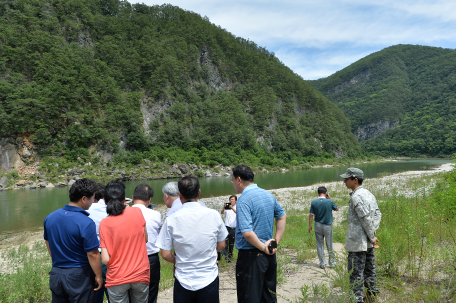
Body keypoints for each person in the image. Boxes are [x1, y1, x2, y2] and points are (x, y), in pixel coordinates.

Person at [156, 176, 227, 303]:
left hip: (183, 278)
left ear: (179, 195)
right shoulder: (214, 215)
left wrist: (179, 260)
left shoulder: (172, 219)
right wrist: (208, 251)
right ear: (199, 193)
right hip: (208, 276)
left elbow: (165, 254)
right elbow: (222, 244)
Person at [231, 164, 287, 303]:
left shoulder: (244, 199)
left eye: (232, 180)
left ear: (239, 180)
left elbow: (247, 233)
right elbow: (282, 216)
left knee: (249, 297)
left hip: (251, 257)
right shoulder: (267, 195)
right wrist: (274, 243)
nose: (232, 184)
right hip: (269, 256)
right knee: (268, 297)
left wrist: (263, 247)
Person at [43, 178, 103, 302]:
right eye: (92, 198)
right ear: (84, 199)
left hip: (56, 274)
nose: (93, 201)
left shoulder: (50, 217)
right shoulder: (86, 222)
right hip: (79, 277)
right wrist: (98, 275)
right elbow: (92, 254)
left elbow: (48, 242)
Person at [99, 181, 150, 303]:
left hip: (117, 277)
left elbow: (105, 259)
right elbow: (146, 239)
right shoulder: (137, 212)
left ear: (105, 202)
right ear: (124, 200)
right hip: (140, 273)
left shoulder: (104, 223)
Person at [340, 168, 381, 303]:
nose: (344, 181)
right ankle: (372, 296)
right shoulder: (369, 194)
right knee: (370, 270)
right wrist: (372, 234)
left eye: (347, 179)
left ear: (355, 180)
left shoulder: (356, 197)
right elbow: (377, 215)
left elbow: (364, 218)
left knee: (355, 274)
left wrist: (371, 236)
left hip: (358, 242)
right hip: (367, 242)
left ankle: (357, 299)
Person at [132, 183, 162, 303]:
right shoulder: (156, 215)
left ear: (133, 197)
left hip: (129, 259)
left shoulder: (123, 213)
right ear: (149, 199)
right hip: (151, 259)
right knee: (151, 292)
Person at [87, 183, 111, 303]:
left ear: (94, 197)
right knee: (113, 292)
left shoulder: (87, 210)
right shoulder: (111, 208)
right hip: (109, 255)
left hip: (93, 255)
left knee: (96, 291)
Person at [308, 186, 339, 269]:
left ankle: (323, 263)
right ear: (326, 193)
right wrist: (330, 199)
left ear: (318, 193)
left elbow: (311, 215)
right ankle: (332, 263)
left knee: (320, 245)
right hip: (327, 225)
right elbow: (337, 209)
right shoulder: (329, 201)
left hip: (318, 225)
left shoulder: (314, 202)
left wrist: (310, 225)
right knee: (329, 244)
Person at [220, 195, 237, 262]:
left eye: (232, 199)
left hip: (234, 228)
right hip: (227, 227)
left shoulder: (237, 207)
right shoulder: (227, 207)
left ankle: (230, 256)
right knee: (225, 242)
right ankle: (225, 256)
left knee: (231, 243)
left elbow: (238, 213)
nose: (231, 201)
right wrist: (224, 207)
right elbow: (221, 213)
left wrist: (232, 208)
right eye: (230, 199)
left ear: (235, 201)